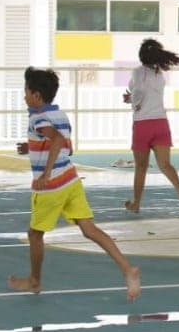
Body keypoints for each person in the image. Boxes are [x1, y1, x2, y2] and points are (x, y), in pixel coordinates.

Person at [10, 67, 141, 301]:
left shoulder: (38, 117)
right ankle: (127, 269)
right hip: (70, 179)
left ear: (37, 96)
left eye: (26, 92)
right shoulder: (60, 115)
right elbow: (66, 146)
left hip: (52, 187)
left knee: (35, 234)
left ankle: (35, 281)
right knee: (89, 229)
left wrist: (46, 174)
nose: (24, 96)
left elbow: (57, 140)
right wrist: (30, 147)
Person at [122, 38, 179, 214]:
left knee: (141, 167)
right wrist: (133, 98)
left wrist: (133, 102)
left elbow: (138, 91)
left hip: (142, 124)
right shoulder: (159, 73)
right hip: (161, 122)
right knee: (165, 164)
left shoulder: (138, 72)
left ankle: (136, 203)